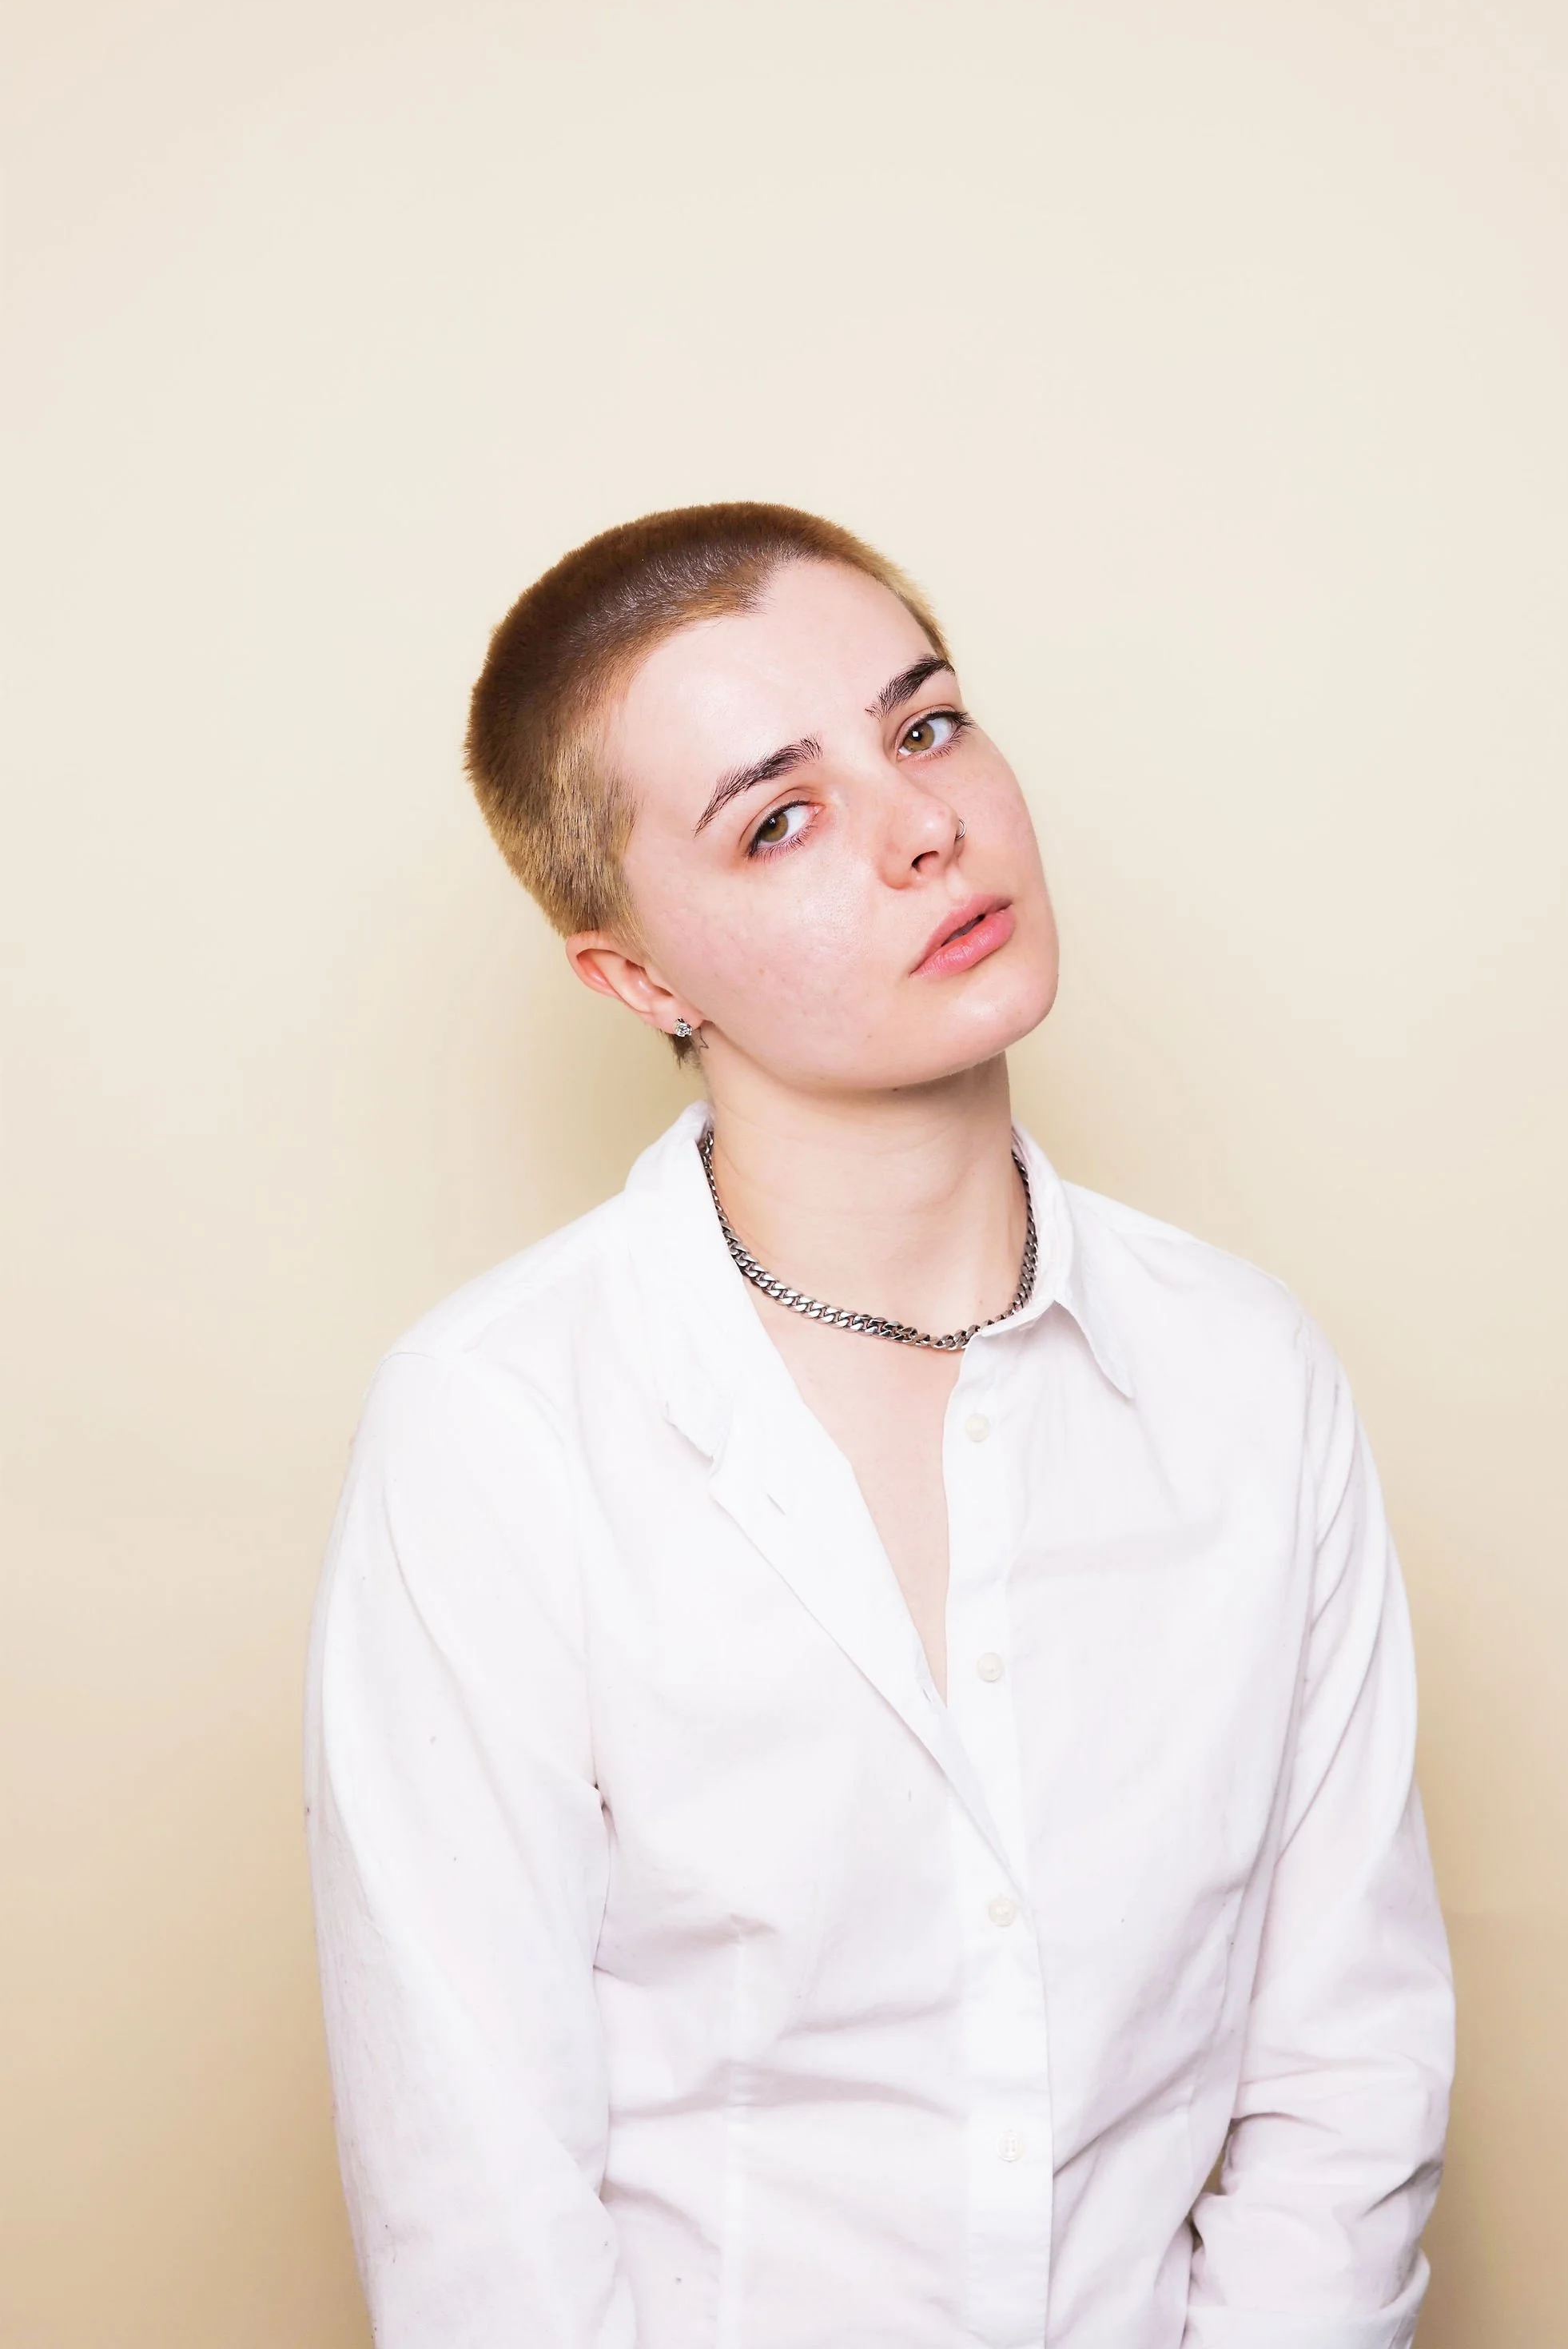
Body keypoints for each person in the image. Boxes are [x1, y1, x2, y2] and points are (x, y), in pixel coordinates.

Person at [305, 502, 1454, 2349]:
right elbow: (480, 2210)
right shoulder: (496, 1430)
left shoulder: (1245, 1376)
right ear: (636, 978)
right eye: (778, 817)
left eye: (922, 726)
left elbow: (1345, 2083)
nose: (927, 825)